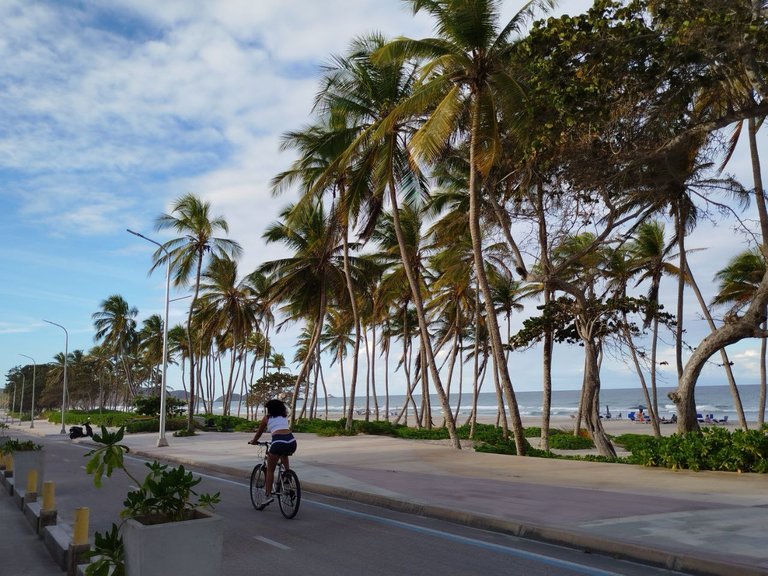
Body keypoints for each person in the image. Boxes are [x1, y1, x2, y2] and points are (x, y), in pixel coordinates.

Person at [248, 399, 297, 510]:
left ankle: (268, 495)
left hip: (278, 442)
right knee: (284, 454)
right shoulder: (284, 417)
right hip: (292, 442)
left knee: (270, 470)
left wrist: (254, 441)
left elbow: (259, 433)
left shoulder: (267, 418)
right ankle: (287, 476)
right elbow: (281, 429)